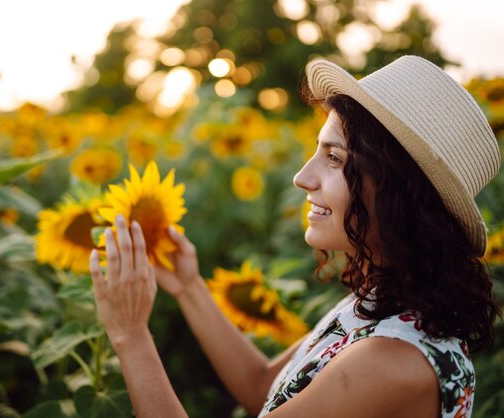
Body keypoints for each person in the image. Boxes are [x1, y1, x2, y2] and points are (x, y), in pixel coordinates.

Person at [89, 55, 501, 418]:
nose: (302, 177)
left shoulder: (390, 362)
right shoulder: (383, 305)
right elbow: (263, 386)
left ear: (398, 192)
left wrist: (130, 335)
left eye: (334, 158)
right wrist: (189, 287)